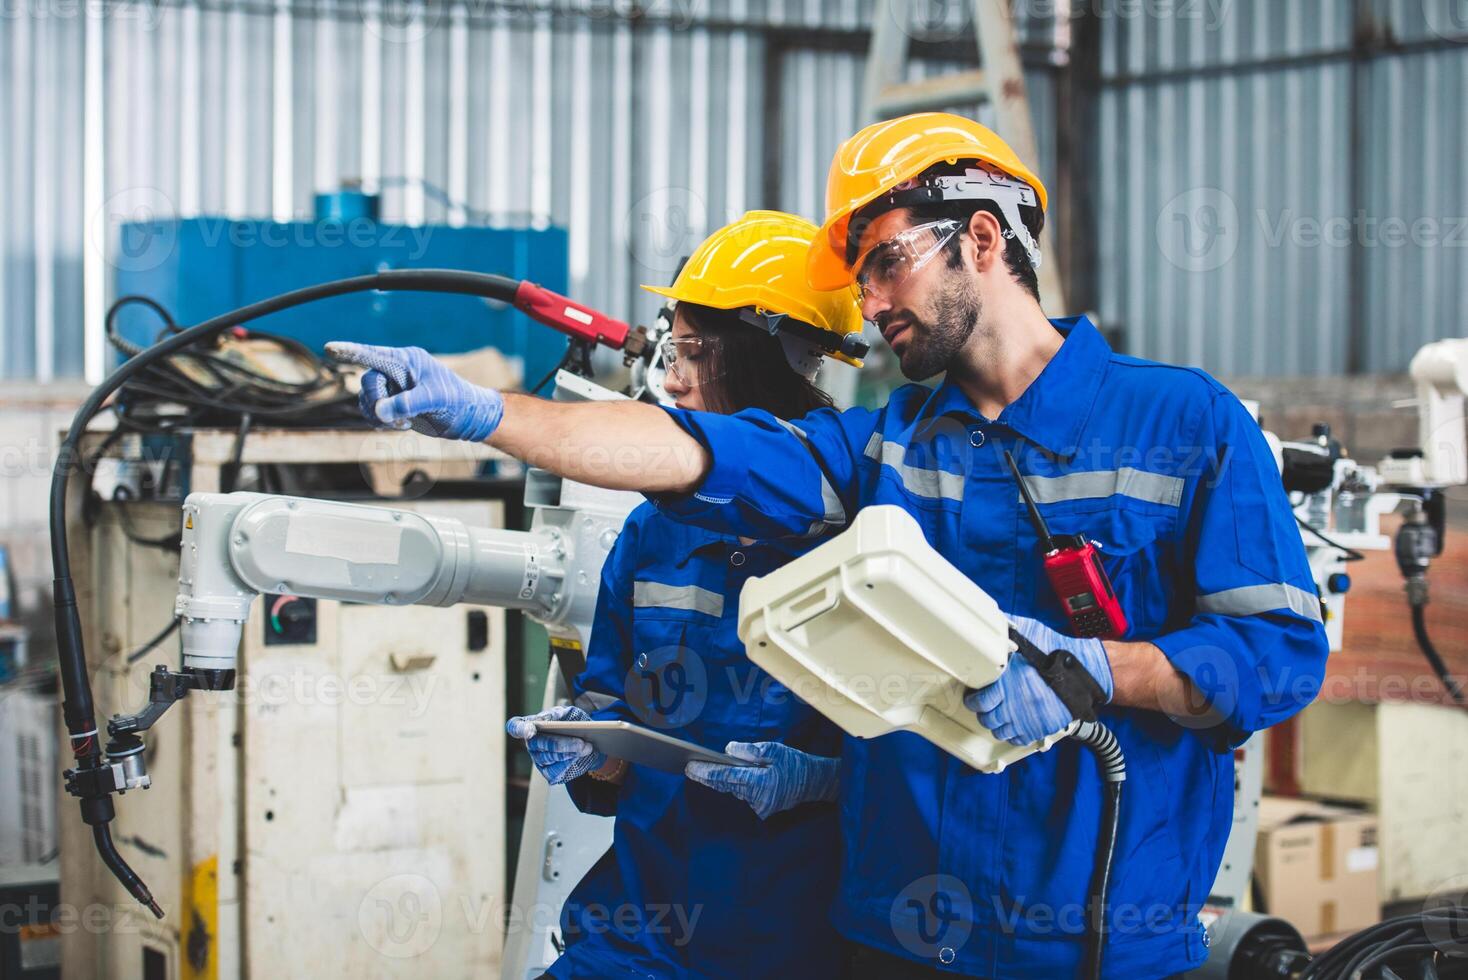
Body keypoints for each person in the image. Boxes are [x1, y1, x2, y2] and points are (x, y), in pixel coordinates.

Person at [331, 113, 1329, 979]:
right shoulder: (887, 444)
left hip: (1091, 940)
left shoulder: (1181, 421)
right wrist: (481, 416)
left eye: (885, 258)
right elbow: (692, 452)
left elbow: (1278, 656)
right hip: (892, 936)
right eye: (858, 276)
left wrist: (1100, 669)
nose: (872, 301)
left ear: (981, 236)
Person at [337, 211, 866, 978]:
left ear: (770, 355)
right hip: (640, 932)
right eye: (669, 349)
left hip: (793, 941)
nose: (671, 377)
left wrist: (824, 781)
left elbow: (934, 759)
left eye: (692, 353)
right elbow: (612, 716)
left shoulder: (866, 525)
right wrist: (590, 746)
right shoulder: (655, 530)